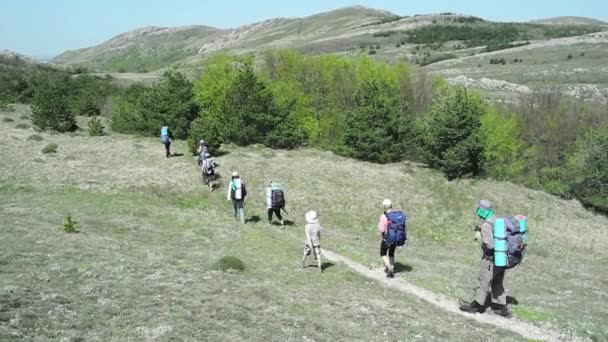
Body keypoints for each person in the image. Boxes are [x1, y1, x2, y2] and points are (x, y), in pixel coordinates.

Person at [459, 199, 513, 318]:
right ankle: (501, 308)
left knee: (484, 281)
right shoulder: (498, 221)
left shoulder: (486, 225)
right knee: (497, 282)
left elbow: (489, 244)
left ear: (483, 210)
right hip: (502, 258)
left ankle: (476, 306)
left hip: (490, 259)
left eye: (479, 209)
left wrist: (483, 242)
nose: (477, 211)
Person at [377, 199, 407, 279]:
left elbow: (381, 229)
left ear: (384, 207)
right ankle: (392, 268)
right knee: (391, 253)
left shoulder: (384, 216)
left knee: (383, 253)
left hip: (387, 238)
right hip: (395, 239)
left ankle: (389, 266)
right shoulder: (396, 216)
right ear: (391, 206)